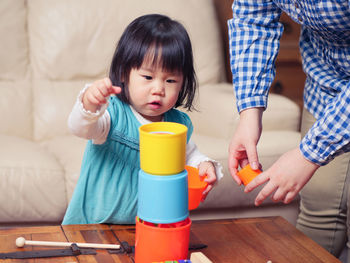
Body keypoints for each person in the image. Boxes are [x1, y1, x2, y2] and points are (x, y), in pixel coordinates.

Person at [62, 14, 223, 225]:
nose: (158, 89)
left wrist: (204, 164)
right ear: (124, 73)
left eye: (171, 80)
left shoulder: (176, 125)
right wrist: (90, 103)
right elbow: (79, 128)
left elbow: (189, 155)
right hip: (93, 225)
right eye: (147, 77)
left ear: (183, 83)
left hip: (147, 228)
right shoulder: (112, 114)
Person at [227, 0, 350, 259]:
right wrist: (249, 114)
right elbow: (253, 18)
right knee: (319, 205)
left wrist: (308, 155)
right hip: (325, 83)